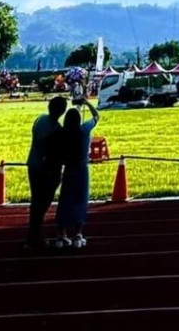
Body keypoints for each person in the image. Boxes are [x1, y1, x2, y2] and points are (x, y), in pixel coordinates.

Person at [54, 98, 99, 249]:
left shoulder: (62, 133)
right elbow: (96, 116)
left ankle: (61, 234)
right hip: (81, 169)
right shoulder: (83, 130)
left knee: (65, 200)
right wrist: (86, 102)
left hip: (68, 168)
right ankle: (78, 234)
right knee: (80, 200)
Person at [25, 95, 67, 250]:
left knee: (36, 201)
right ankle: (35, 235)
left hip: (33, 164)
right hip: (47, 170)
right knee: (42, 203)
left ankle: (33, 235)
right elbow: (55, 152)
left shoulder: (40, 119)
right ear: (62, 111)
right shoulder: (57, 129)